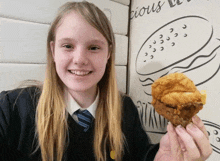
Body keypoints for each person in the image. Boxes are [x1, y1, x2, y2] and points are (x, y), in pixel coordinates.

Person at [0, 1, 212, 161]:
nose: (80, 59)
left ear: (109, 53)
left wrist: (163, 155)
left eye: (94, 47)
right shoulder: (12, 108)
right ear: (52, 50)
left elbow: (140, 156)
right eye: (67, 46)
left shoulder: (125, 110)